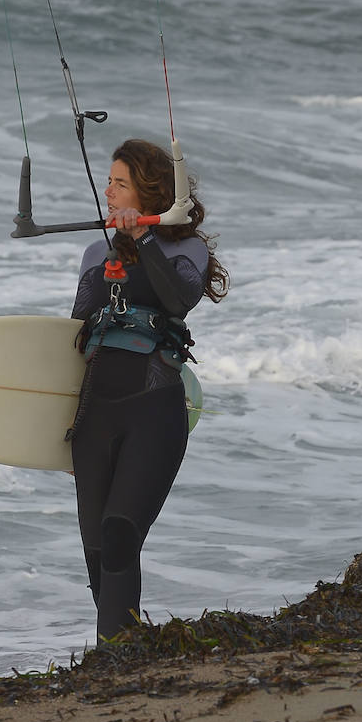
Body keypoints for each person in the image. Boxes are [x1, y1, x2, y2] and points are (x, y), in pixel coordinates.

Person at [69, 138, 228, 641]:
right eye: (109, 182)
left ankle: (113, 662)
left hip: (154, 411)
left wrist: (142, 241)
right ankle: (120, 650)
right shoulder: (96, 251)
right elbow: (75, 331)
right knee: (97, 552)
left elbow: (178, 299)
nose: (109, 192)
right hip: (95, 414)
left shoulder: (188, 249)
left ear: (150, 192)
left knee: (120, 534)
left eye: (120, 183)